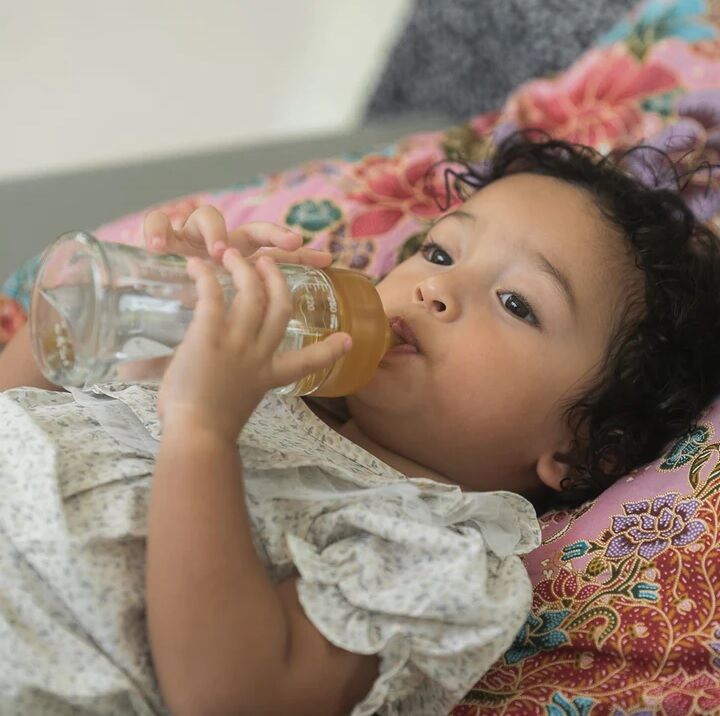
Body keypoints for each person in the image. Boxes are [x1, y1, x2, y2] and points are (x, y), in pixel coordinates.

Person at [0, 135, 718, 716]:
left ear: (582, 450)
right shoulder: (258, 379)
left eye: (516, 303)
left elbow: (236, 698)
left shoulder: (438, 549)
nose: (437, 287)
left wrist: (201, 432)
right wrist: (139, 296)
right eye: (439, 251)